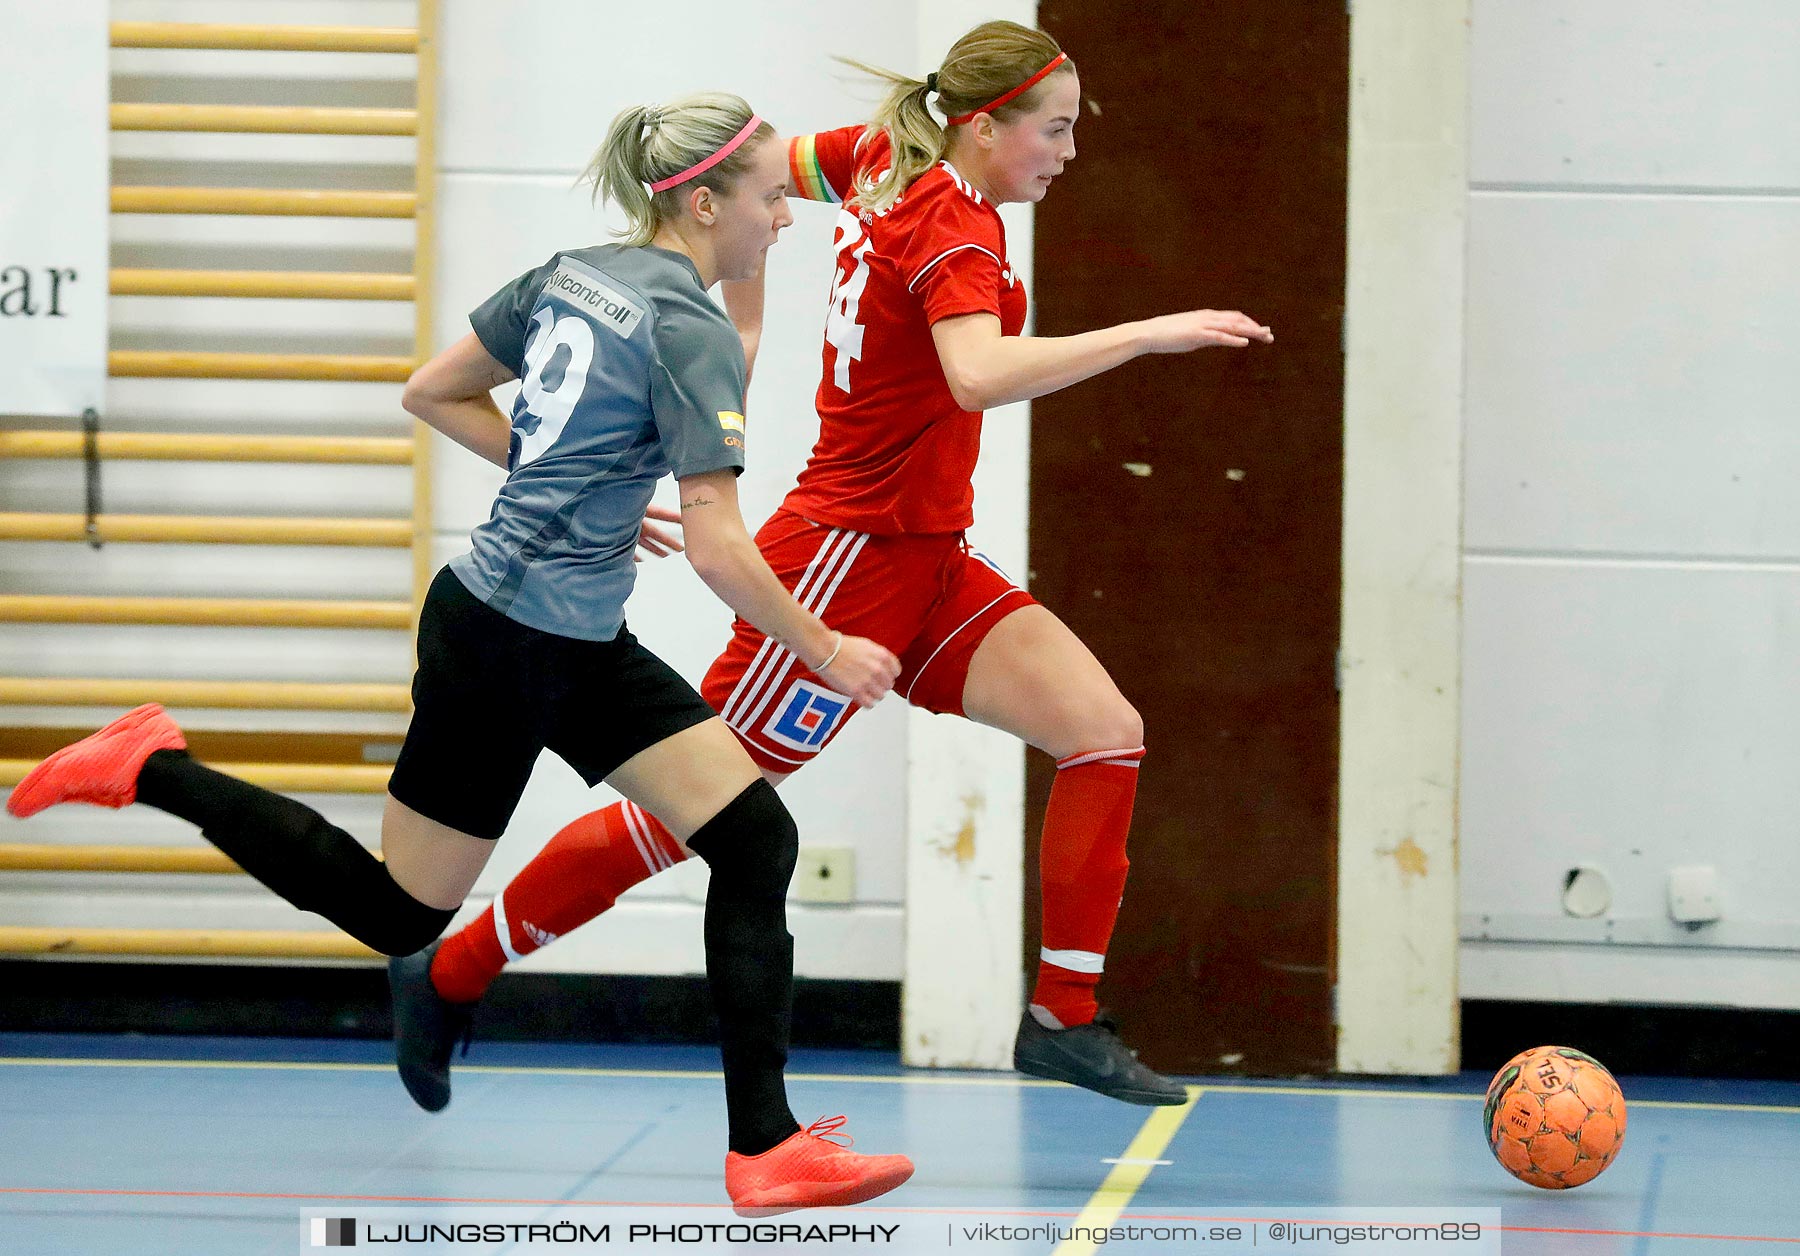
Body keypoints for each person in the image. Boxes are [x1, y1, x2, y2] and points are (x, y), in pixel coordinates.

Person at [4, 92, 915, 1216]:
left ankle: (765, 1146)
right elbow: (723, 545)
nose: (786, 215)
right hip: (503, 638)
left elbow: (433, 390)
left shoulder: (578, 271)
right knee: (399, 915)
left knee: (751, 832)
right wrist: (827, 646)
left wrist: (572, 485)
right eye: (772, 198)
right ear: (703, 197)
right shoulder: (680, 327)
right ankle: (151, 763)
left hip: (570, 633)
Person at [396, 21, 1273, 1111]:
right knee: (693, 810)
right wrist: (1147, 333)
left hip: (930, 553)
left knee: (1104, 732)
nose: (1069, 151)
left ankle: (1063, 1017)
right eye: (1053, 130)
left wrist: (748, 310)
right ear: (984, 125)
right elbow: (976, 372)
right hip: (842, 559)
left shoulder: (877, 153)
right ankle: (450, 966)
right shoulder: (955, 227)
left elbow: (767, 175)